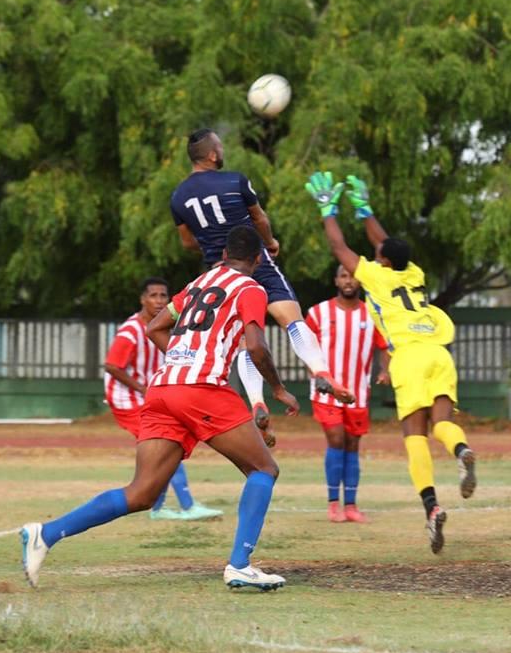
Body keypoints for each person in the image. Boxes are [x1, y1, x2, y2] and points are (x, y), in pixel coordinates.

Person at [20, 226, 301, 591]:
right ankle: (239, 565)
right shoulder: (251, 289)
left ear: (224, 254)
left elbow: (155, 327)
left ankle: (45, 533)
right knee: (264, 468)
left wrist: (184, 358)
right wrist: (278, 389)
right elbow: (257, 345)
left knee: (142, 493)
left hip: (162, 388)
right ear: (259, 258)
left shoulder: (198, 284)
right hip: (201, 389)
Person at [304, 171, 477, 554]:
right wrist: (365, 209)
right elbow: (384, 243)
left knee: (415, 435)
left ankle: (432, 508)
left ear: (382, 261)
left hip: (409, 358)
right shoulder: (414, 273)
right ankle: (461, 450)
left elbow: (338, 246)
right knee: (442, 424)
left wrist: (328, 210)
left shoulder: (375, 277)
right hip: (439, 353)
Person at [170, 129, 354, 439]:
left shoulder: (178, 197)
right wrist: (269, 243)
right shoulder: (235, 181)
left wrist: (213, 248)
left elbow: (187, 242)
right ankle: (320, 370)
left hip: (220, 271)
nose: (222, 150)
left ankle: (256, 400)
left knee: (245, 338)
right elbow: (259, 219)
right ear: (212, 155)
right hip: (255, 260)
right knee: (290, 318)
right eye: (220, 146)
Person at [103, 277, 222, 521]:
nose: (158, 301)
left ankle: (158, 509)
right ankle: (187, 506)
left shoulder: (165, 325)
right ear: (142, 299)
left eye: (163, 296)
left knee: (168, 442)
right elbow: (112, 366)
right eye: (153, 295)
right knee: (166, 443)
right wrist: (142, 388)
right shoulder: (131, 331)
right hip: (127, 399)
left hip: (151, 396)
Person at [306, 265, 391, 523]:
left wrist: (384, 370)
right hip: (327, 392)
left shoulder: (372, 314)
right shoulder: (318, 312)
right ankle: (334, 504)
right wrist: (314, 372)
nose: (348, 281)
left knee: (353, 445)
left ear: (359, 281)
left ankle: (351, 506)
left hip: (358, 393)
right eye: (343, 276)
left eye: (352, 276)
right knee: (336, 440)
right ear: (336, 280)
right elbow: (305, 346)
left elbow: (384, 346)